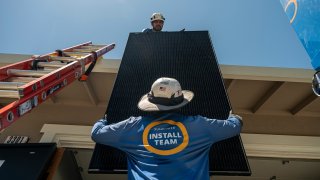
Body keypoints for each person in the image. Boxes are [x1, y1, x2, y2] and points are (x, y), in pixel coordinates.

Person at [91, 77, 243, 180]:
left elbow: (97, 134)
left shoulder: (132, 126)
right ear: (180, 101)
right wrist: (234, 118)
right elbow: (235, 127)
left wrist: (102, 121)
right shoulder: (201, 126)